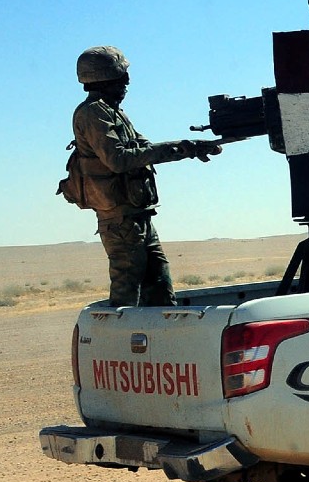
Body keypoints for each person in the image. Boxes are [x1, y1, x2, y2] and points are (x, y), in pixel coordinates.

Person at [69, 46, 221, 306]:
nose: (127, 81)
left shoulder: (113, 112)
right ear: (105, 78)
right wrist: (181, 148)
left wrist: (190, 147)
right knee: (126, 296)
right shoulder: (93, 113)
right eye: (121, 76)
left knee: (160, 290)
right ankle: (118, 334)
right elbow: (118, 159)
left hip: (137, 216)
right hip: (121, 222)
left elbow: (145, 149)